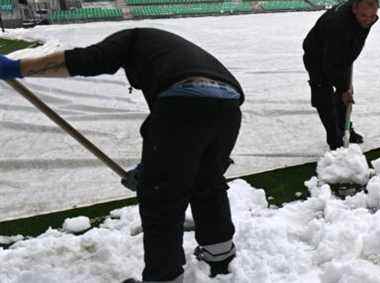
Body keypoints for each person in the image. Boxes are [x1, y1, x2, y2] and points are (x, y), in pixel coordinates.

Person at [0, 28, 243, 282]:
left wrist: (17, 67)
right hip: (228, 106)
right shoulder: (170, 48)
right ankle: (219, 255)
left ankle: (164, 276)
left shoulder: (131, 38)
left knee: (161, 197)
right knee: (207, 182)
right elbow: (186, 136)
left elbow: (86, 60)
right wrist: (153, 165)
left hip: (182, 100)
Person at [303, 0, 379, 150]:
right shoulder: (338, 26)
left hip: (340, 51)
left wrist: (344, 87)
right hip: (316, 55)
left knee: (344, 94)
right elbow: (330, 64)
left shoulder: (365, 15)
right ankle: (335, 139)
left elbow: (357, 38)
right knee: (323, 96)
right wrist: (343, 88)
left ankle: (345, 128)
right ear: (354, 9)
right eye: (364, 15)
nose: (368, 19)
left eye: (372, 16)